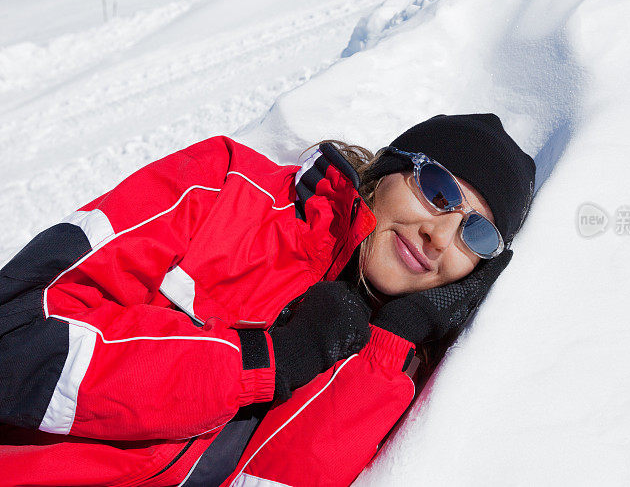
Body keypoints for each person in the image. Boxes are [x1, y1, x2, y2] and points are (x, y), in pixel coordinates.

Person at [0, 113, 535, 486]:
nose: (440, 236)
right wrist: (260, 360)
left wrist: (380, 359)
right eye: (437, 190)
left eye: (477, 234)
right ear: (389, 169)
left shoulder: (404, 380)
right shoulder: (222, 188)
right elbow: (13, 339)